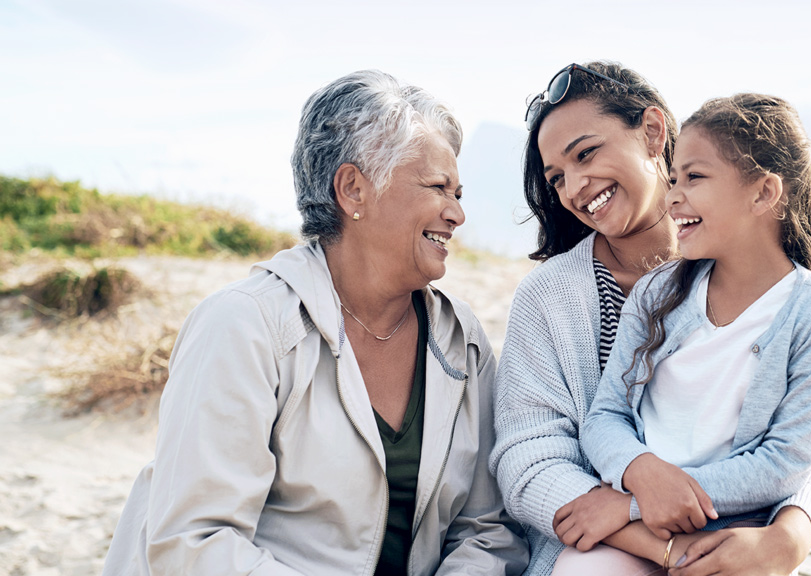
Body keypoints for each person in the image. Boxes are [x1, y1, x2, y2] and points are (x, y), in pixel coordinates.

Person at [103, 70, 528, 576]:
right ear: (353, 190)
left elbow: (487, 529)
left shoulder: (463, 342)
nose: (457, 213)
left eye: (458, 193)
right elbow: (195, 542)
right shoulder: (244, 326)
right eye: (438, 187)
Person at [490, 62, 811, 576]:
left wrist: (788, 537)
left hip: (735, 544)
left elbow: (807, 449)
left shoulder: (770, 285)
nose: (574, 187)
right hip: (597, 552)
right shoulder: (549, 298)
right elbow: (530, 463)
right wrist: (656, 538)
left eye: (586, 153)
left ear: (654, 132)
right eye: (557, 178)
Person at [579, 92, 811, 572]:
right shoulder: (655, 294)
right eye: (672, 179)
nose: (672, 197)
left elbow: (782, 464)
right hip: (630, 533)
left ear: (764, 193)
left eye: (695, 177)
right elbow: (605, 415)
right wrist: (639, 473)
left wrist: (634, 504)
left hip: (734, 538)